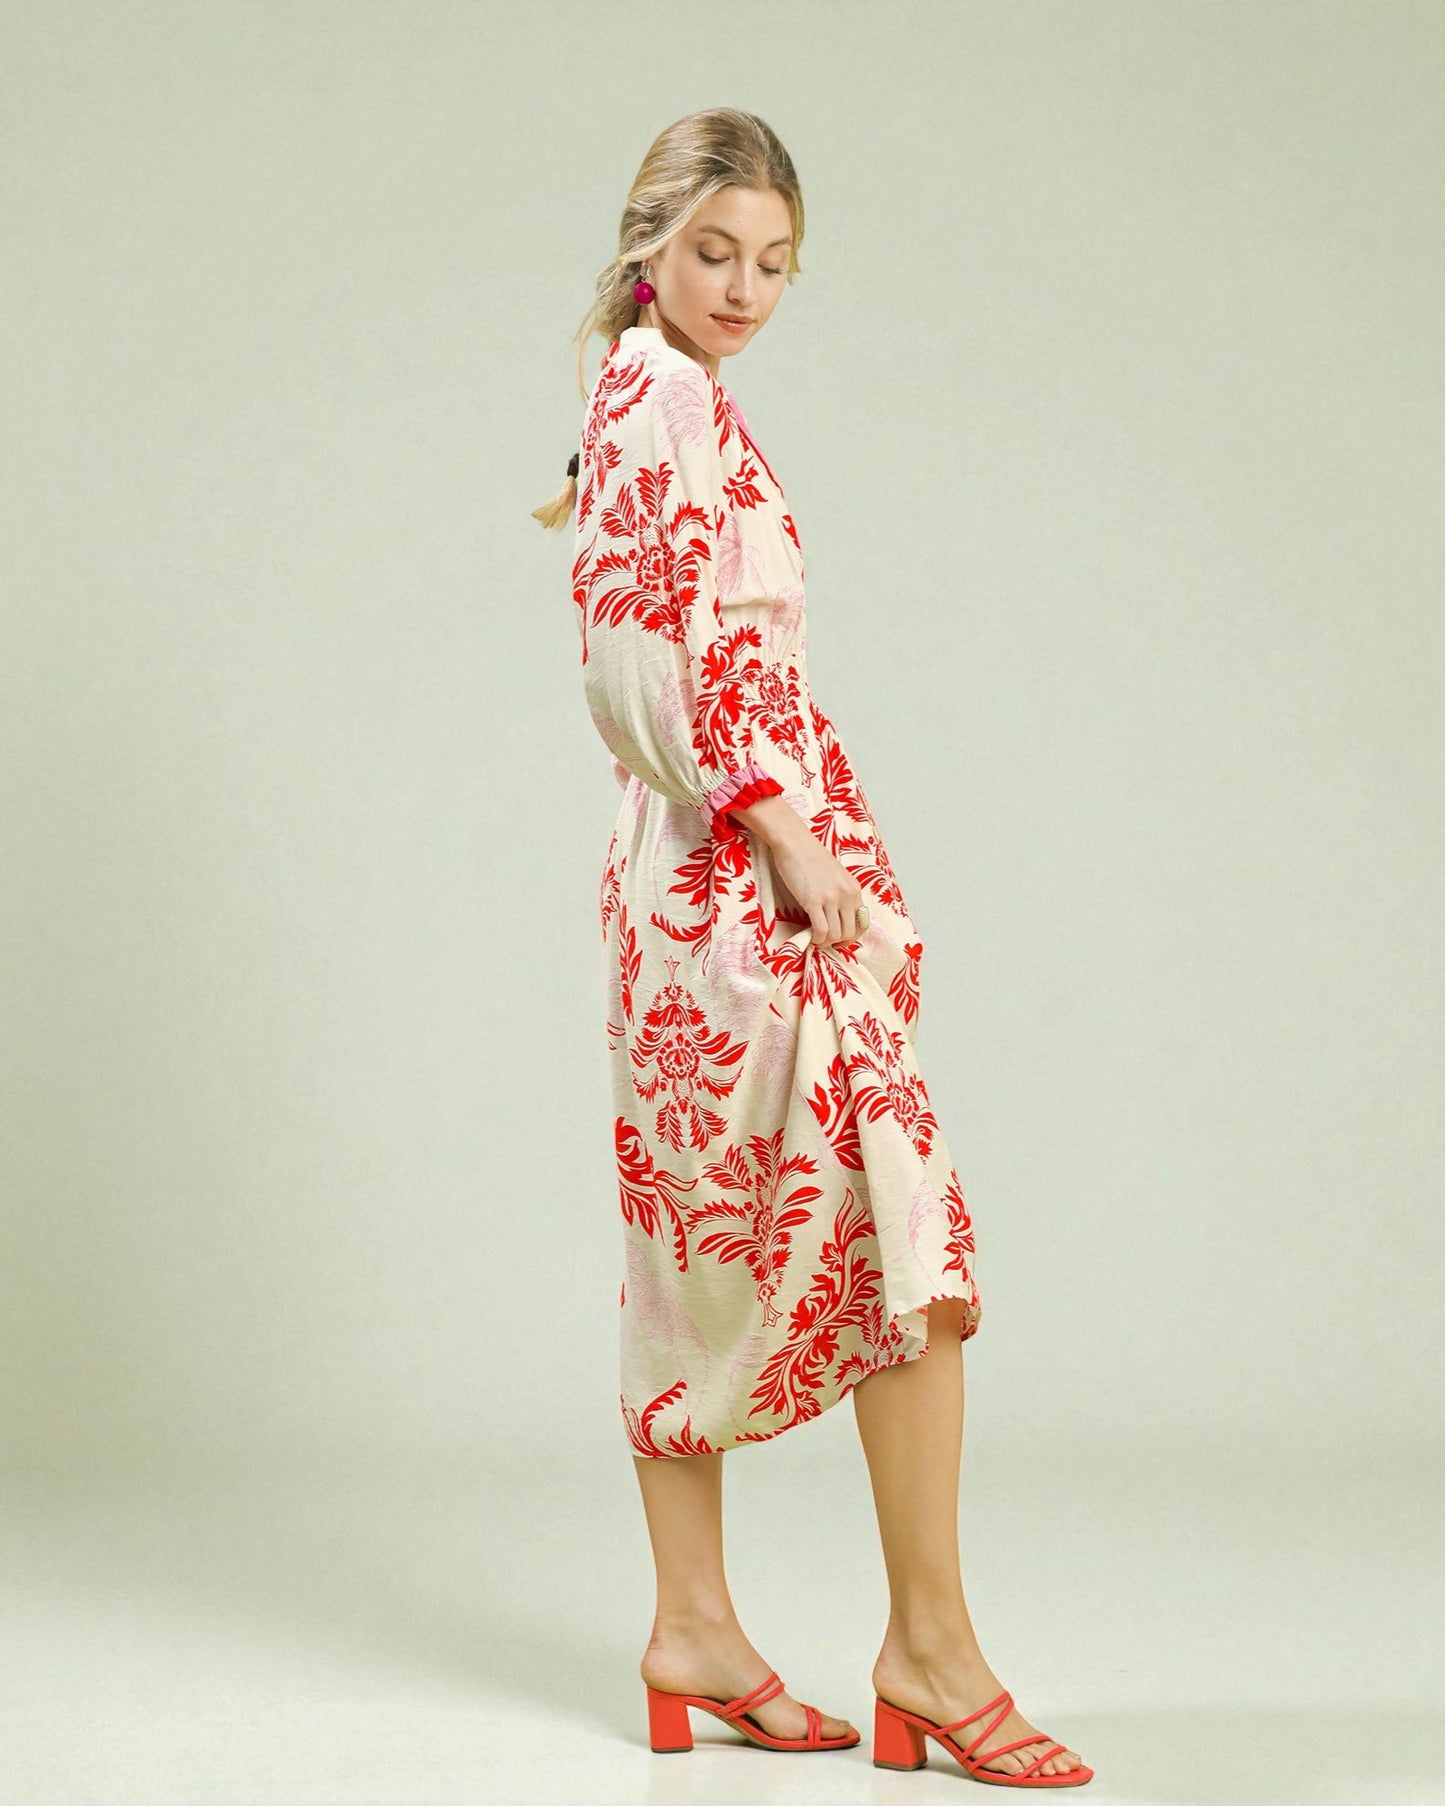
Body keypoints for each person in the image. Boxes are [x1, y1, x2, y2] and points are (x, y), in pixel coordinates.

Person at [534, 108, 1092, 1788]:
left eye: (775, 263)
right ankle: (923, 1650)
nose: (746, 289)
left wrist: (792, 826)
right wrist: (774, 825)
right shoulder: (659, 393)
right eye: (716, 253)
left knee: (753, 1243)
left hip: (739, 868)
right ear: (650, 245)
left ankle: (700, 1627)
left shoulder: (665, 395)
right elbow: (634, 657)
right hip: (730, 878)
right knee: (876, 1231)